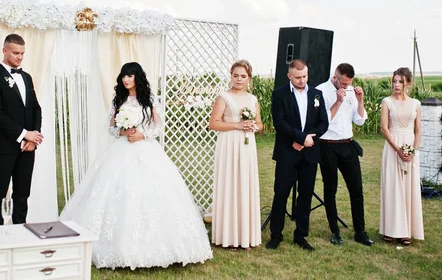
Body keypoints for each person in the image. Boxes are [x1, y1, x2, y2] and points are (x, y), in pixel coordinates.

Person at [60, 62, 213, 270]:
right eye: (124, 76)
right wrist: (122, 132)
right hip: (121, 149)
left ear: (137, 77)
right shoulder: (118, 100)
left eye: (130, 76)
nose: (126, 79)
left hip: (146, 149)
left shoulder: (148, 100)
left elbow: (158, 126)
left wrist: (143, 134)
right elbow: (111, 128)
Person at [266, 59, 329, 251]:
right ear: (289, 76)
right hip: (287, 151)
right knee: (281, 193)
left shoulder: (317, 94)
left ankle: (301, 235)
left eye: (304, 76)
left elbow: (323, 123)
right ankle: (276, 235)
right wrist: (300, 138)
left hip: (309, 153)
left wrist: (308, 140)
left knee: (306, 194)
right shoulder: (279, 94)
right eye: (298, 77)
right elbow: (280, 123)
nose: (302, 80)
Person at [0, 34, 43, 225]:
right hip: (4, 146)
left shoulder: (26, 77)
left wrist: (33, 138)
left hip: (28, 147)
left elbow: (36, 109)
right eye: (15, 53)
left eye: (22, 53)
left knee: (22, 194)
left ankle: (20, 232)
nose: (19, 57)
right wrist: (25, 135)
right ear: (4, 51)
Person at [316, 63, 374, 246]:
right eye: (343, 83)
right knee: (330, 189)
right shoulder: (320, 91)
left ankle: (360, 231)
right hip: (327, 146)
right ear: (335, 76)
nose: (345, 87)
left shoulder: (350, 92)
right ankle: (335, 231)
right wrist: (338, 100)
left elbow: (360, 121)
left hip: (348, 145)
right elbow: (323, 121)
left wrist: (360, 100)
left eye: (349, 83)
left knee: (356, 189)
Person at [209, 59, 263, 251]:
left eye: (243, 76)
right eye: (235, 76)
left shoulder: (253, 99)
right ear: (230, 76)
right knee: (230, 185)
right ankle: (229, 236)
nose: (239, 79)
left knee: (245, 185)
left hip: (247, 146)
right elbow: (214, 123)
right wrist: (238, 125)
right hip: (229, 145)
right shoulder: (223, 97)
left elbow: (260, 124)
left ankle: (246, 236)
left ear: (249, 78)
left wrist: (252, 126)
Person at [380, 67, 424, 245]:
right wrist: (398, 149)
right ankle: (391, 229)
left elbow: (418, 130)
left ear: (408, 84)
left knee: (409, 187)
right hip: (393, 146)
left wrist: (413, 151)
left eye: (400, 81)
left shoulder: (416, 104)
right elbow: (384, 128)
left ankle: (407, 231)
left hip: (410, 146)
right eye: (394, 81)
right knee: (393, 187)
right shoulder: (387, 102)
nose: (396, 85)